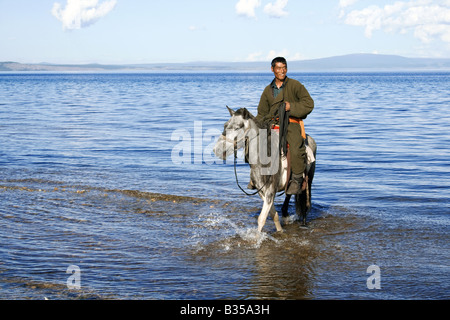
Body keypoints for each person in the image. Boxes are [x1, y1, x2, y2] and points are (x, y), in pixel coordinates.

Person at [256, 57, 314, 195]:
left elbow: (309, 104)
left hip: (290, 123)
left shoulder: (295, 85)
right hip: (271, 124)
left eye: (284, 68)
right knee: (256, 143)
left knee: (295, 145)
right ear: (272, 69)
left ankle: (296, 179)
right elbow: (261, 113)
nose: (282, 71)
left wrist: (291, 106)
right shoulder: (267, 90)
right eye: (278, 68)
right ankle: (257, 177)